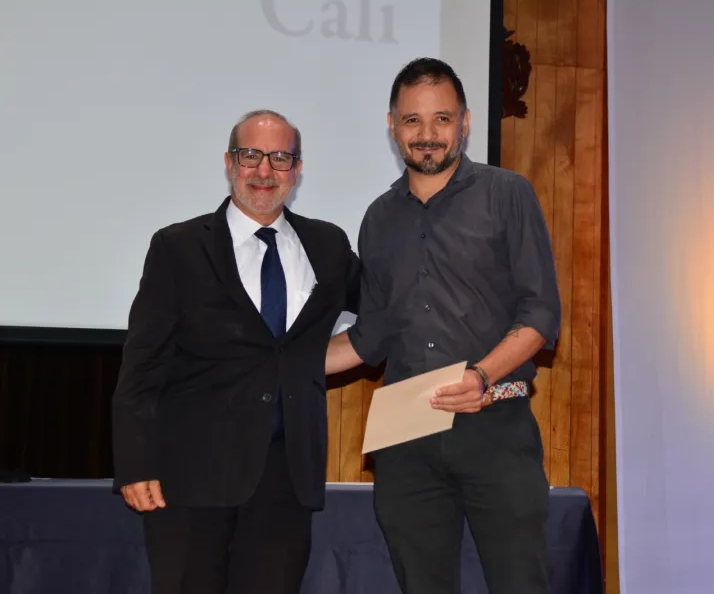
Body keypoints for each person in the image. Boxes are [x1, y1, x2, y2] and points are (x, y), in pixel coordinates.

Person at [326, 58, 561, 594]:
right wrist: (281, 360)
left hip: (494, 420)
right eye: (412, 120)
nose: (427, 134)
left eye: (442, 119)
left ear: (465, 122)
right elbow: (371, 335)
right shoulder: (378, 218)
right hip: (404, 434)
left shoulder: (508, 193)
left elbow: (541, 313)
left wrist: (481, 376)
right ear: (392, 126)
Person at [112, 109, 360, 594]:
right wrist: (136, 463)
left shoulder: (327, 245)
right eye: (251, 155)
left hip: (286, 481)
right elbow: (142, 366)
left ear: (297, 169)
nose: (264, 170)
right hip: (189, 478)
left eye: (280, 158)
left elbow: (384, 309)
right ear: (229, 163)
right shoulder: (177, 247)